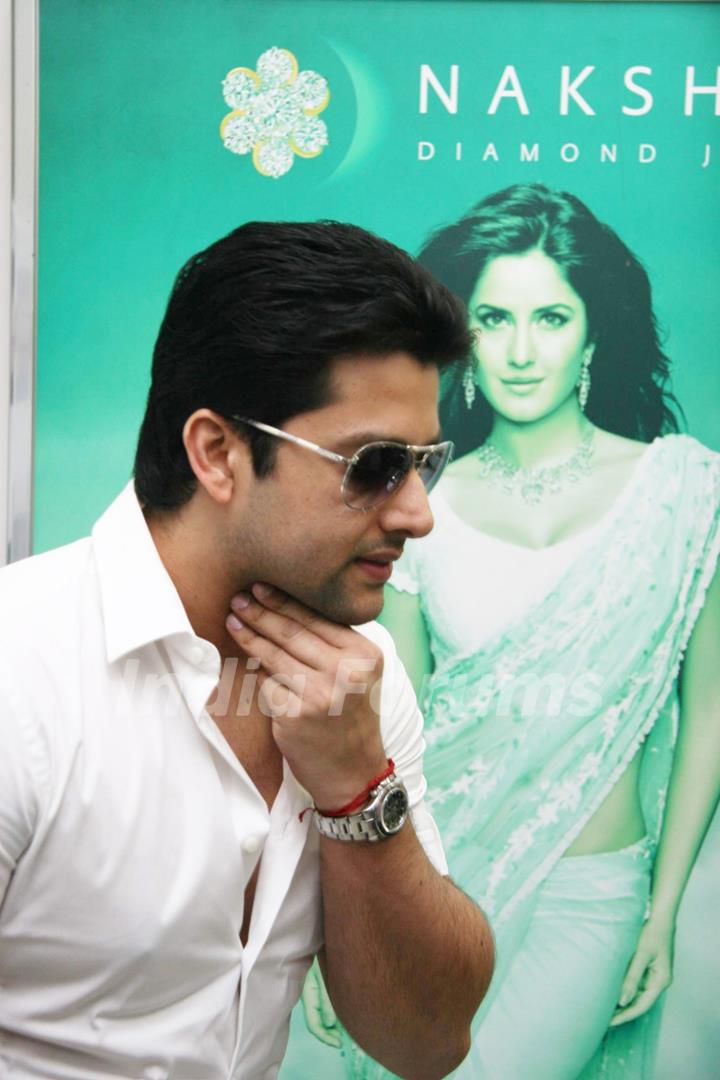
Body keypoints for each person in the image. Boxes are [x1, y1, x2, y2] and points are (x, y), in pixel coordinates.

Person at [0, 221, 495, 1079]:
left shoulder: (357, 680)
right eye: (376, 464)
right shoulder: (23, 670)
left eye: (426, 465)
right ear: (217, 454)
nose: (418, 513)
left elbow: (425, 1041)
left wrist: (358, 792)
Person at [300, 185, 720, 1078]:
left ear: (593, 335)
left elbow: (711, 707)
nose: (522, 352)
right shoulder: (418, 505)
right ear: (463, 340)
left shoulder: (687, 493)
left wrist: (666, 905)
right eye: (494, 317)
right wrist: (342, 923)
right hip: (433, 886)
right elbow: (387, 736)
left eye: (552, 318)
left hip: (590, 893)